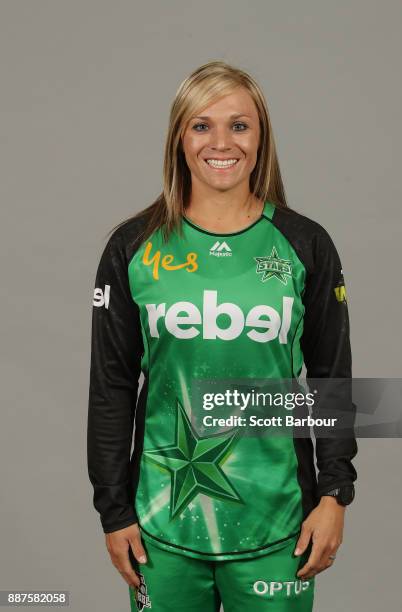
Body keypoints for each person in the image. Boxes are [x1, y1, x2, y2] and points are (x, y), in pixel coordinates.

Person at [87, 60, 358, 612]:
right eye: (201, 124)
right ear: (179, 138)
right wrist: (113, 511)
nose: (221, 142)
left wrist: (335, 493)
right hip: (159, 526)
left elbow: (331, 378)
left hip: (280, 525)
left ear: (261, 139)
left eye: (239, 125)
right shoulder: (133, 247)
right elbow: (111, 388)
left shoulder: (304, 244)